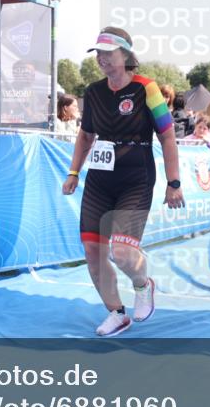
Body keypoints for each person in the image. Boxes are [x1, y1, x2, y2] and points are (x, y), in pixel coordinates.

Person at [62, 27, 183, 337]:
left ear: (126, 55)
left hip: (136, 179)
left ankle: (143, 284)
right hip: (100, 182)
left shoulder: (147, 89)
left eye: (108, 52)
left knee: (124, 254)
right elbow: (86, 136)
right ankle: (116, 313)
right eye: (98, 53)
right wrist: (74, 173)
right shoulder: (93, 92)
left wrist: (174, 182)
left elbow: (168, 137)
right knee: (92, 252)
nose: (102, 58)